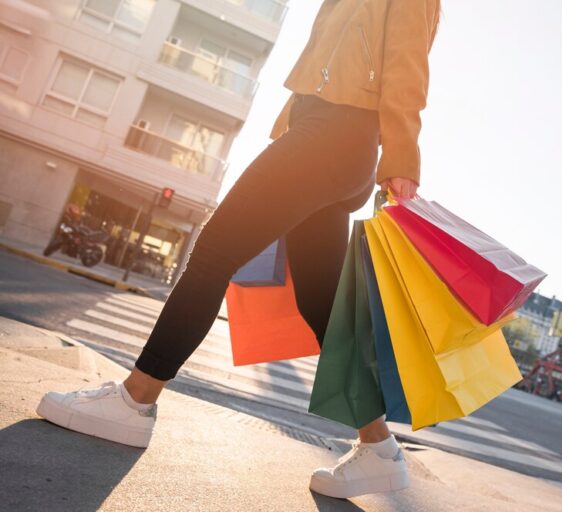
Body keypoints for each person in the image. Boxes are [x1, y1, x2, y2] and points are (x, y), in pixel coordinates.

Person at [35, 0, 441, 500]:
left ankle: (135, 400)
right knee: (321, 305)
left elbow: (408, 61)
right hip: (323, 136)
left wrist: (402, 156)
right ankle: (378, 448)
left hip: (335, 136)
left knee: (213, 254)